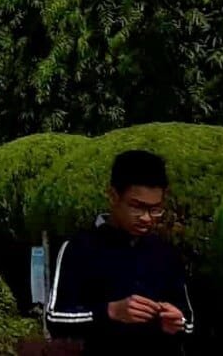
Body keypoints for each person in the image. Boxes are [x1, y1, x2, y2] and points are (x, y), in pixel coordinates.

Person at [45, 150, 193, 354]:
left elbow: (189, 322)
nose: (146, 218)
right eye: (137, 207)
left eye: (155, 209)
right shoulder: (80, 248)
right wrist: (110, 312)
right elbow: (55, 318)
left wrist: (177, 322)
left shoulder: (165, 253)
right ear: (114, 196)